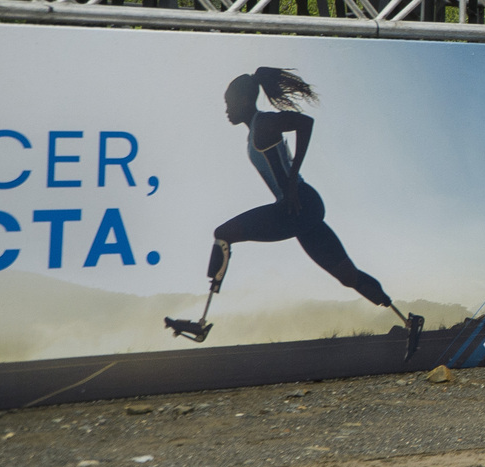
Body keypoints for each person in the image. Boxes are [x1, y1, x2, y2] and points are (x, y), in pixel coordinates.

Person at [165, 67, 419, 350]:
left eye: (229, 103)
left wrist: (293, 181)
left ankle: (201, 323)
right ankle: (409, 322)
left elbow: (305, 123)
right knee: (348, 276)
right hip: (299, 210)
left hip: (299, 205)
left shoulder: (263, 123)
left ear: (245, 101)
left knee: (223, 234)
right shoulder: (255, 131)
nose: (226, 110)